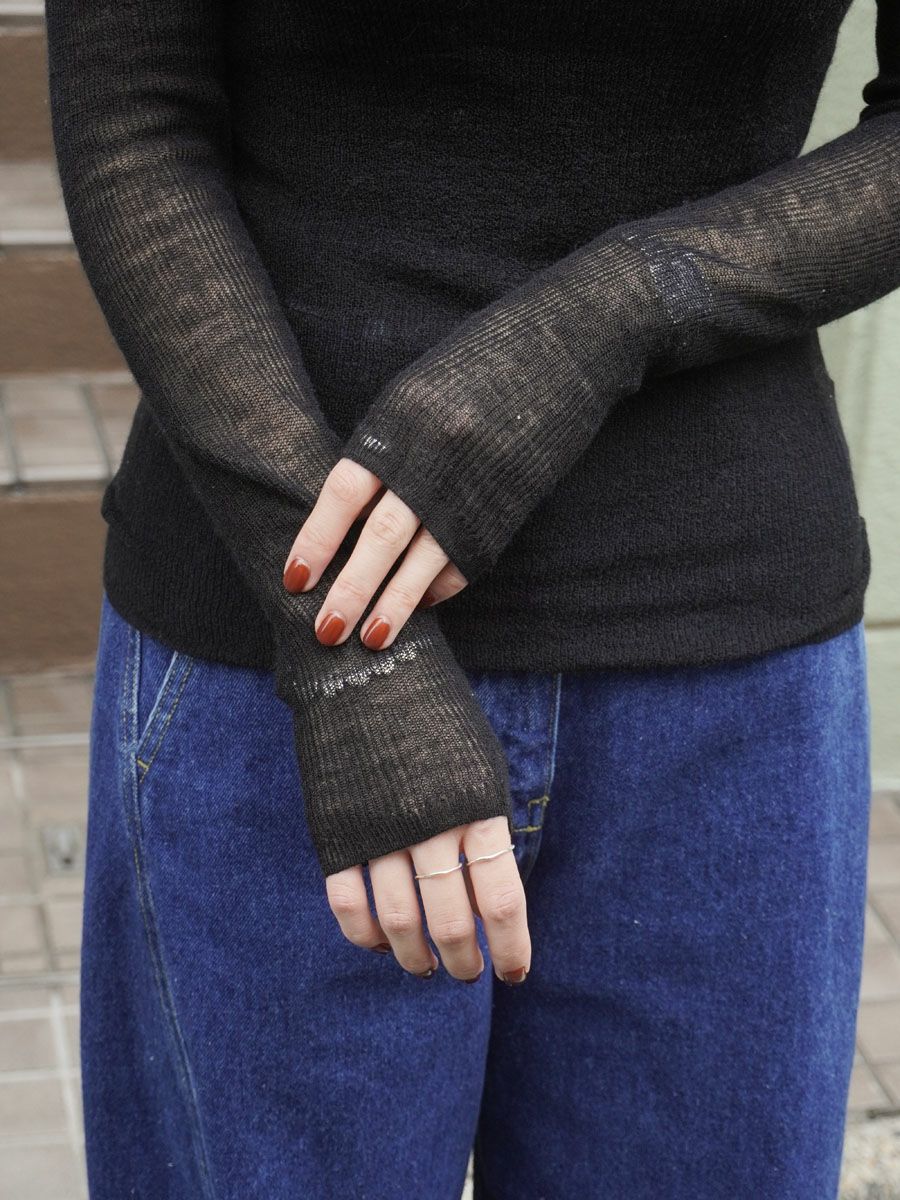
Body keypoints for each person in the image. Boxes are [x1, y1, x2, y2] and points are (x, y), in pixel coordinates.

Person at [44, 0, 898, 1196]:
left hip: (721, 673)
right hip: (267, 666)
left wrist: (612, 314)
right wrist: (346, 649)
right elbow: (134, 124)